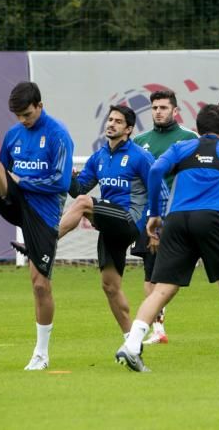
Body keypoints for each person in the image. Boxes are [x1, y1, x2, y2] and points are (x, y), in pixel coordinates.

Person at [115, 104, 219, 372]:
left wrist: (154, 213)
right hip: (212, 220)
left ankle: (131, 345)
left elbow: (154, 172)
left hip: (177, 220)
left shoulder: (182, 148)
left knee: (162, 287)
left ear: (196, 129)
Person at [0, 81, 74, 370]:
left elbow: (62, 182)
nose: (22, 120)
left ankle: (41, 354)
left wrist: (23, 181)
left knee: (40, 285)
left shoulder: (59, 135)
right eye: (18, 116)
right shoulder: (13, 135)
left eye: (27, 115)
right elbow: (0, 178)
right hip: (15, 203)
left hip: (43, 216)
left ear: (40, 106)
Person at [63, 105, 157, 336]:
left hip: (130, 220)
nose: (111, 124)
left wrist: (156, 223)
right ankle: (130, 340)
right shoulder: (99, 157)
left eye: (117, 121)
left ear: (129, 129)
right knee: (110, 286)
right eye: (110, 119)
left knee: (86, 203)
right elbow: (79, 190)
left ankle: (46, 239)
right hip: (110, 224)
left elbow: (159, 189)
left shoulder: (140, 156)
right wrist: (68, 175)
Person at [131, 90, 198, 345]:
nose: (158, 111)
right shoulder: (140, 141)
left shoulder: (188, 138)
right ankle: (158, 330)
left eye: (163, 107)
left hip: (177, 216)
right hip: (148, 215)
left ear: (175, 111)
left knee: (168, 275)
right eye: (155, 107)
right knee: (149, 273)